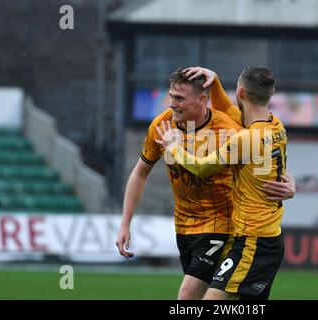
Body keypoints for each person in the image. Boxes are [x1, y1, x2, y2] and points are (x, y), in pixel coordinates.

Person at [116, 68, 295, 300]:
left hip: (227, 226)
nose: (172, 104)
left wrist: (174, 148)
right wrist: (125, 223)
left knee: (189, 297)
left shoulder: (232, 130)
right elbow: (140, 173)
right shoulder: (161, 126)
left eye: (179, 98)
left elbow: (207, 166)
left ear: (202, 99)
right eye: (171, 96)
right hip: (185, 226)